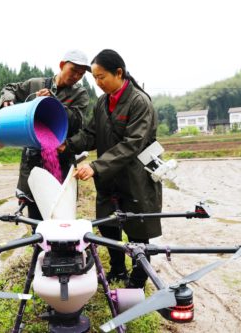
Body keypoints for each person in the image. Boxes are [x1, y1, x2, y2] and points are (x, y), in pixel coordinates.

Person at [59, 49, 162, 289]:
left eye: (101, 76)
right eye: (94, 78)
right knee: (108, 226)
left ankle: (138, 281)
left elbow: (132, 144)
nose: (97, 83)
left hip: (135, 177)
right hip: (109, 178)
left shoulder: (139, 102)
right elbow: (91, 134)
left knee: (137, 231)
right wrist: (67, 145)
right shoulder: (102, 103)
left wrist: (95, 166)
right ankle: (117, 271)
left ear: (119, 73)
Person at [0, 50, 90, 220]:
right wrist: (7, 100)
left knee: (62, 216)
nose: (77, 76)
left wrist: (54, 102)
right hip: (33, 162)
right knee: (37, 220)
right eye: (74, 70)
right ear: (62, 65)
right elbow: (9, 88)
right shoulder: (36, 84)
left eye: (81, 74)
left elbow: (77, 121)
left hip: (62, 159)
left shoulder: (80, 94)